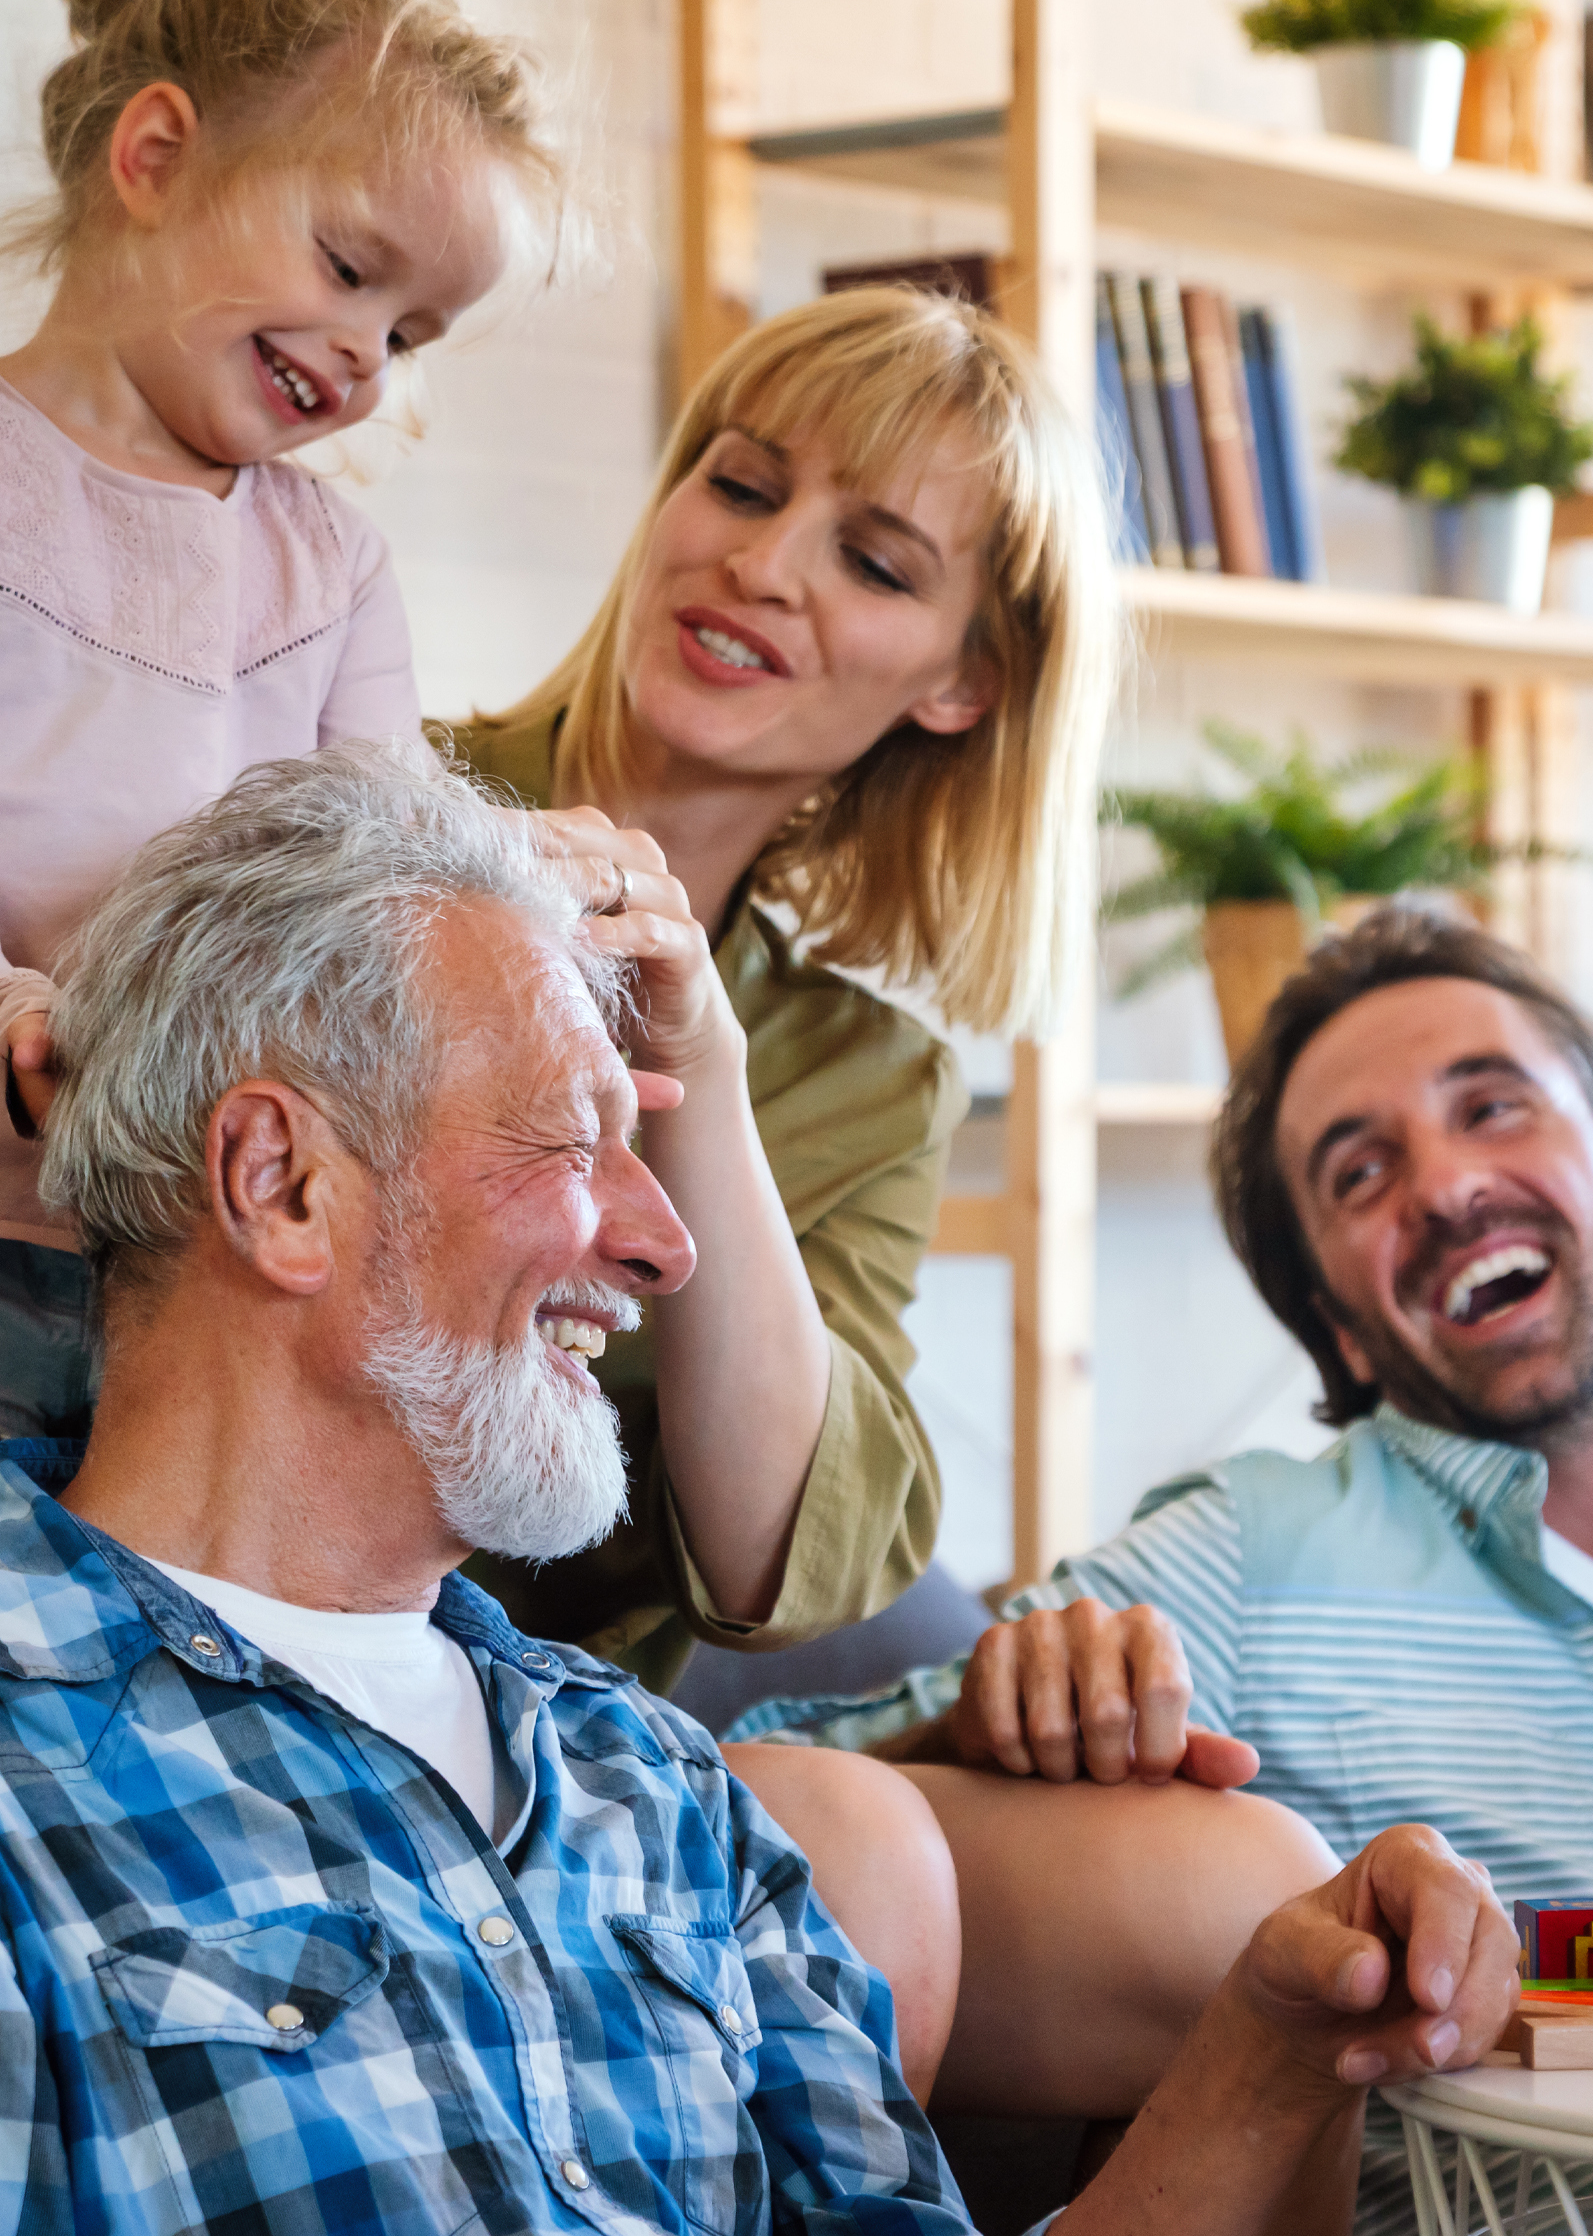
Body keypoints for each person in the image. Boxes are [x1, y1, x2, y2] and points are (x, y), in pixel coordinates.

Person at [0, 748, 1519, 2236]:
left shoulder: (641, 1775)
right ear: (280, 1182)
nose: (665, 1246)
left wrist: (1263, 2044)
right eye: (574, 1144)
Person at [745, 905, 1593, 2236]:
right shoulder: (1249, 1553)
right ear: (1340, 1324)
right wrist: (981, 1719)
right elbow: (746, 1809)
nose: (1441, 1186)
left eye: (1490, 1105)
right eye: (1358, 1176)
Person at [0, 0, 547, 1582]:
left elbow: (364, 886)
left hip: (196, 1258)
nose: (368, 351)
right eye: (349, 263)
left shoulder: (334, 570)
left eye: (418, 330)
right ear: (155, 156)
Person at [447, 286, 1122, 1692]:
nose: (759, 563)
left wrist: (706, 1066)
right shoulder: (370, 798)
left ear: (963, 684)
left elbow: (774, 1563)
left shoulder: (874, 1078)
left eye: (874, 565)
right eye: (741, 484)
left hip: (550, 1727)